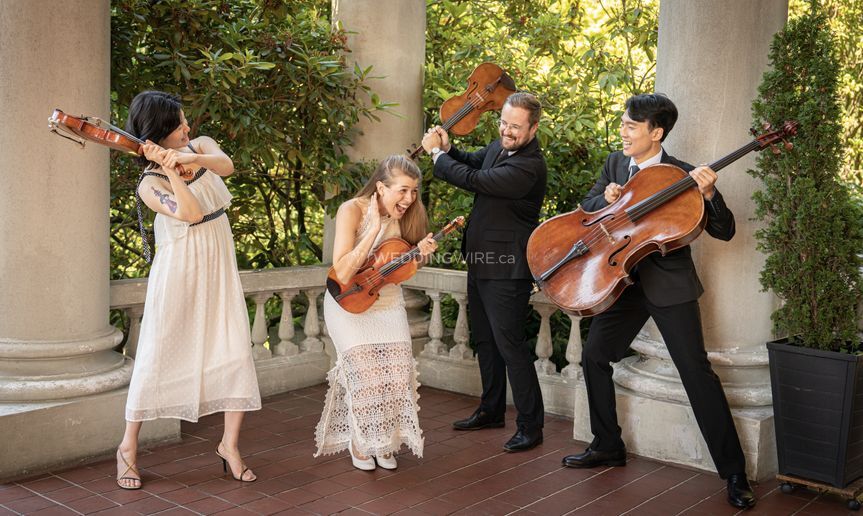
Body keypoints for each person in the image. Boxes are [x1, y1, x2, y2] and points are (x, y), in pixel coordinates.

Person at [560, 93, 756, 509]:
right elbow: (588, 208)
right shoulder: (616, 164)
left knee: (695, 372)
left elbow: (725, 231)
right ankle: (607, 444)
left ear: (656, 132)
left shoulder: (683, 175)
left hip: (669, 286)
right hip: (623, 281)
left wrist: (710, 196)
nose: (623, 132)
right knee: (594, 354)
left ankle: (734, 473)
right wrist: (606, 199)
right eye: (624, 124)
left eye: (631, 126)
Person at [116, 91, 261, 489]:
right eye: (179, 123)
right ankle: (127, 448)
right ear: (160, 131)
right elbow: (191, 213)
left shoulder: (202, 147)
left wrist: (190, 158)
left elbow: (227, 167)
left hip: (218, 261)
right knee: (158, 352)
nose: (187, 127)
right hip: (180, 268)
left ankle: (229, 445)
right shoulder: (149, 184)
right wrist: (169, 170)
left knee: (232, 348)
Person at [421, 92, 547, 452]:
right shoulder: (499, 147)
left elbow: (477, 181)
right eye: (504, 123)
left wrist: (436, 155)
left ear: (534, 128)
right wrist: (449, 146)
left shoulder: (529, 166)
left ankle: (531, 426)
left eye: (515, 127)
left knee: (512, 347)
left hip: (508, 270)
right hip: (480, 261)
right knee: (485, 341)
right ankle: (491, 410)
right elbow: (474, 163)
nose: (506, 131)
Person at [314, 155, 436, 470]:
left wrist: (419, 257)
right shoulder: (350, 210)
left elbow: (398, 269)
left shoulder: (409, 216)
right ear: (380, 187)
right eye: (403, 190)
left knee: (394, 377)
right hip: (348, 299)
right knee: (366, 377)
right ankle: (360, 441)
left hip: (385, 297)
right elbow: (341, 270)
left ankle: (384, 442)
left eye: (414, 191)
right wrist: (373, 229)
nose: (409, 199)